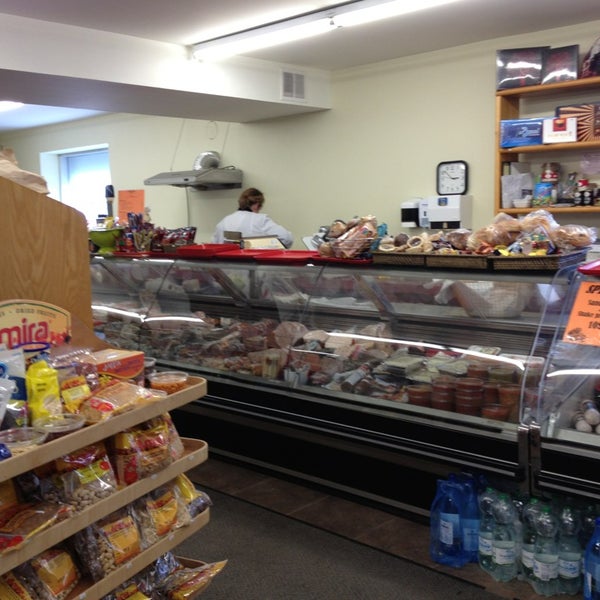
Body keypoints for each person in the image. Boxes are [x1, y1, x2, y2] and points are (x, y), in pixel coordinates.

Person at [212, 187, 293, 248]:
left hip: (227, 264)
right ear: (257, 205)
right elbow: (286, 238)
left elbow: (214, 245)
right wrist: (262, 246)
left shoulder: (224, 221)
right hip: (253, 264)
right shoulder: (260, 220)